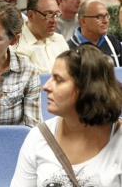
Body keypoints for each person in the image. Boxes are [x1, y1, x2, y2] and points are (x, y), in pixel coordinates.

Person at [10, 44, 122, 187]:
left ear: (87, 88)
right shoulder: (38, 137)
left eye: (58, 80)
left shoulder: (118, 140)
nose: (46, 86)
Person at [11, 0, 69, 74]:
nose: (54, 20)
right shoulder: (17, 45)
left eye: (56, 14)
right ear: (31, 16)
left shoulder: (59, 39)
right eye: (48, 14)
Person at [68, 0, 122, 67]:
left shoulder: (112, 41)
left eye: (106, 16)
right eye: (99, 17)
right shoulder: (70, 49)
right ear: (83, 21)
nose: (106, 21)